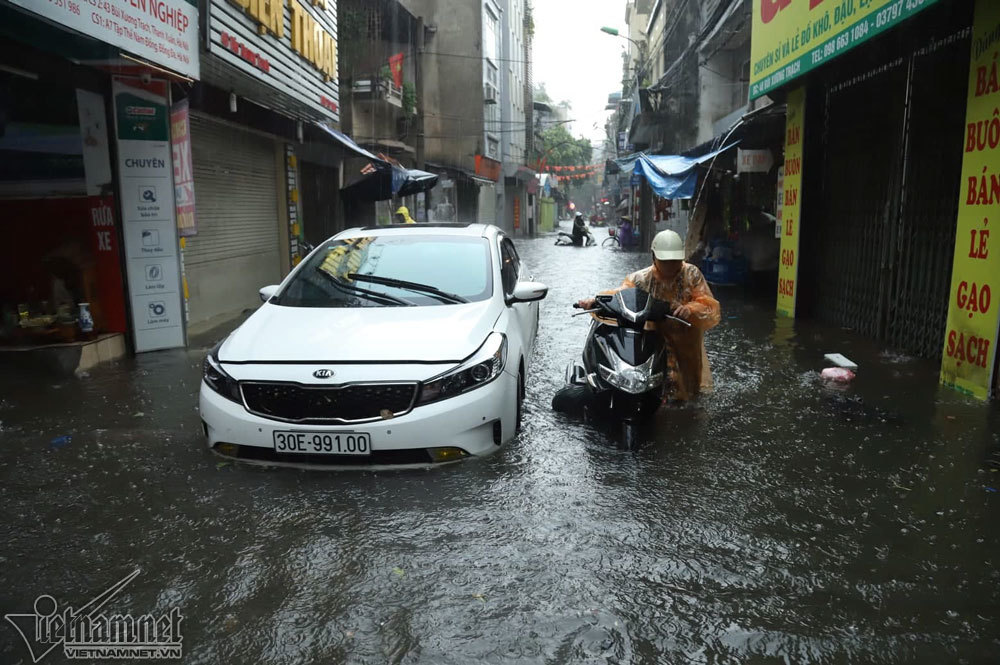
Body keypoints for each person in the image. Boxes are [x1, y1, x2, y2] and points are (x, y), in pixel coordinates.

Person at [577, 229, 721, 401]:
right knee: (659, 386)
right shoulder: (641, 279)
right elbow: (620, 294)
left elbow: (709, 305)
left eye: (675, 260)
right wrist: (595, 301)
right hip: (656, 336)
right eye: (665, 261)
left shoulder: (692, 274)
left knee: (690, 392)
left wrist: (690, 309)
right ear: (654, 257)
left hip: (687, 341)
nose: (670, 265)